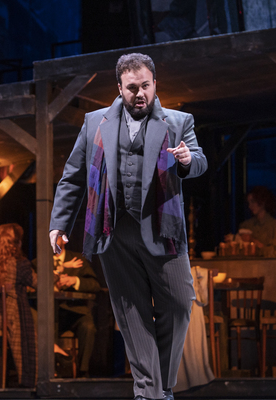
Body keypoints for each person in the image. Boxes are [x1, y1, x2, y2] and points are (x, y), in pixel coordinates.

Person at [49, 53, 208, 400]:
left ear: (155, 84)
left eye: (146, 86)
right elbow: (73, 176)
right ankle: (149, 393)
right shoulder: (95, 122)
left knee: (180, 303)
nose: (140, 94)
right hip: (114, 229)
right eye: (132, 88)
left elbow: (199, 160)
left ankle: (161, 386)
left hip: (163, 228)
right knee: (132, 313)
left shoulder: (178, 121)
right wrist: (59, 223)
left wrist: (186, 160)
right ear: (120, 88)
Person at [33, 237, 100, 378]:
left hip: (74, 311)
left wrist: (74, 280)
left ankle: (83, 373)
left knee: (88, 327)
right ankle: (52, 371)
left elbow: (94, 285)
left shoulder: (77, 260)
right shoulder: (39, 262)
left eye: (55, 236)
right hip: (50, 313)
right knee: (47, 324)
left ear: (64, 240)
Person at [0, 223, 38, 387]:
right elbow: (39, 283)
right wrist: (56, 276)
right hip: (11, 320)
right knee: (35, 320)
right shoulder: (19, 264)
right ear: (16, 242)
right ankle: (29, 378)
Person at [239, 186, 276, 257]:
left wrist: (253, 240)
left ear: (262, 202)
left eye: (253, 201)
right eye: (248, 203)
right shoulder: (246, 225)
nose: (250, 206)